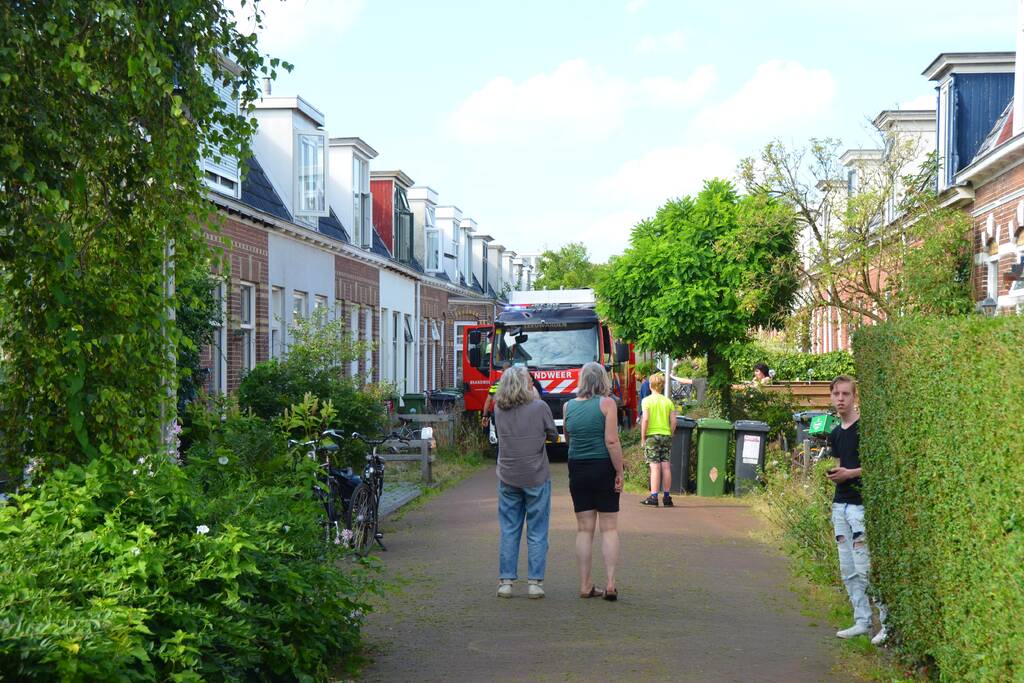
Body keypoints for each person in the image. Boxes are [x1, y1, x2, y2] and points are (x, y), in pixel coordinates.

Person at [826, 375, 888, 645]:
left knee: (865, 568)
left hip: (859, 508)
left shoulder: (865, 429)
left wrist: (849, 474)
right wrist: (839, 475)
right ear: (831, 397)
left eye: (846, 394)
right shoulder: (836, 433)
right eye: (836, 394)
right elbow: (842, 463)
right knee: (848, 569)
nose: (841, 399)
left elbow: (875, 466)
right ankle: (862, 621)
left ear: (855, 397)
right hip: (840, 506)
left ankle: (886, 624)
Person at [493, 366, 557, 599]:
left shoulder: (498, 408)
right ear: (525, 384)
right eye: (530, 381)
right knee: (537, 530)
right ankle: (535, 583)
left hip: (508, 474)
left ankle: (506, 582)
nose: (532, 383)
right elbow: (553, 435)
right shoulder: (540, 407)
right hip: (536, 475)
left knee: (509, 529)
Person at [563, 362, 624, 601]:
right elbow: (612, 442)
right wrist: (619, 471)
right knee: (609, 528)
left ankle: (585, 585)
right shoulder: (607, 404)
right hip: (602, 467)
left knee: (584, 529)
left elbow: (569, 438)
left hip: (577, 468)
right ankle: (610, 583)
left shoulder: (568, 406)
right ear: (603, 380)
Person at [639, 373, 678, 507]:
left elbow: (645, 419)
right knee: (666, 466)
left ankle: (654, 497)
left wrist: (643, 437)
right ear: (662, 386)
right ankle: (667, 498)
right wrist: (670, 433)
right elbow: (674, 421)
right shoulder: (668, 402)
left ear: (650, 385)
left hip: (652, 436)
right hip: (665, 435)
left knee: (654, 467)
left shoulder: (647, 401)